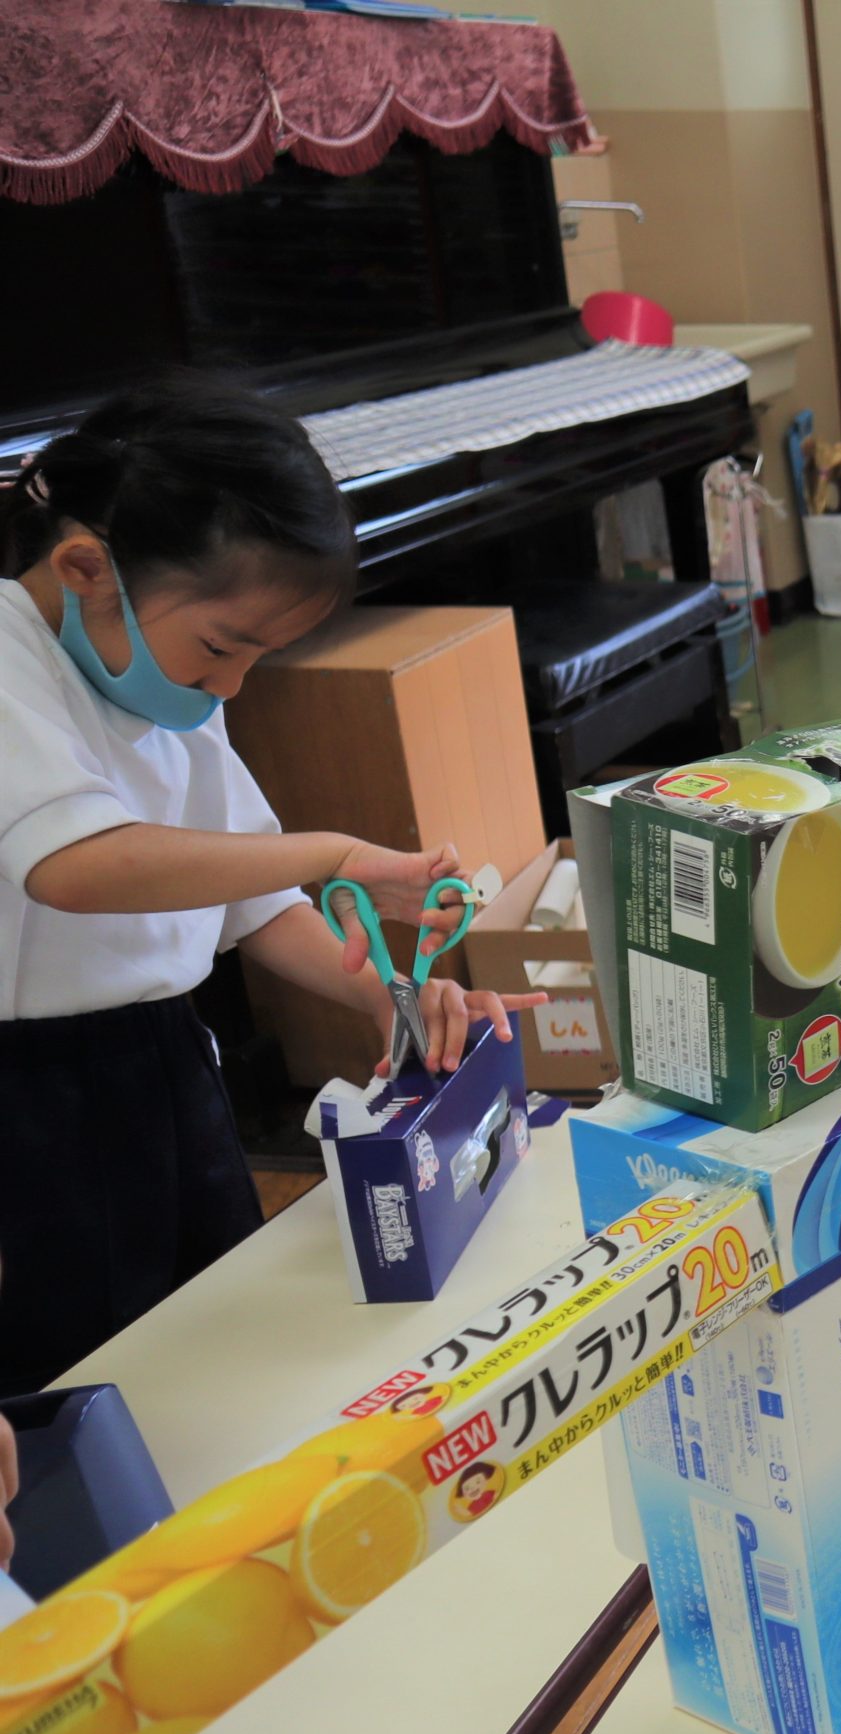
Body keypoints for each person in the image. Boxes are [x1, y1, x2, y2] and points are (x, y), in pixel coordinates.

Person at [0, 375, 537, 1397]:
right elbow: (76, 867)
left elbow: (257, 906)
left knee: (214, 1326)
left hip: (165, 1060)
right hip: (34, 1098)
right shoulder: (7, 659)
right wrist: (329, 854)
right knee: (75, 1369)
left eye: (256, 657)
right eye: (221, 647)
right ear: (85, 568)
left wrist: (391, 998)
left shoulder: (168, 688)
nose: (231, 686)